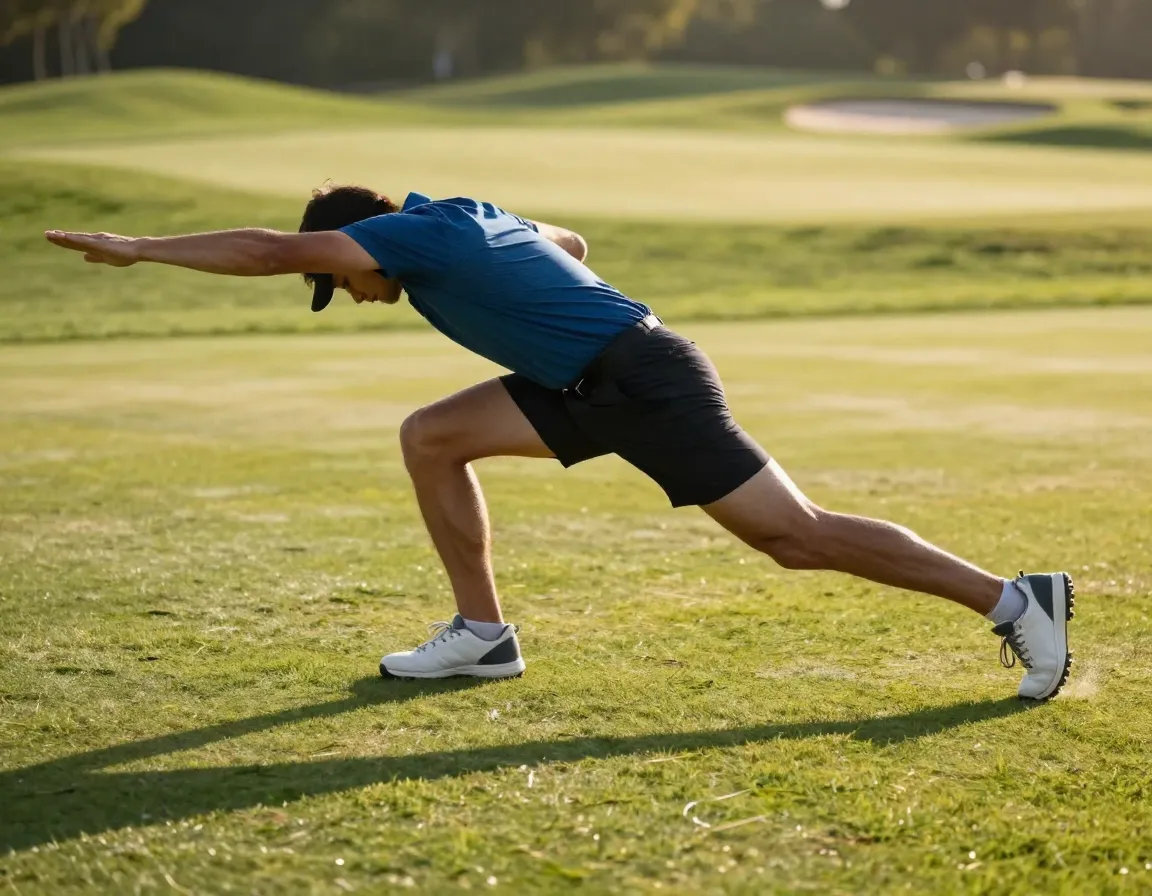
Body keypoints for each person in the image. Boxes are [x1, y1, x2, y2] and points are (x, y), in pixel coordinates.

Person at [46, 185, 1075, 700]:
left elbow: (271, 249)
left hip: (644, 378)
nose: (350, 293)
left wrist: (139, 247)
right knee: (432, 434)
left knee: (794, 536)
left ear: (362, 243)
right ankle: (482, 635)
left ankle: (1014, 599)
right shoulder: (469, 216)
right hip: (584, 378)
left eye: (342, 277)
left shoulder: (406, 235)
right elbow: (569, 244)